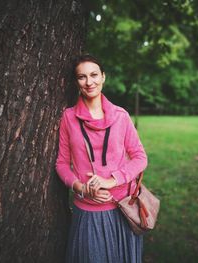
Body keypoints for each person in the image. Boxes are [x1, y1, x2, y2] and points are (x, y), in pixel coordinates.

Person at [55, 54, 148, 263]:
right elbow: (61, 163)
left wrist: (112, 180)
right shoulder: (68, 118)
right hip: (89, 213)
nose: (89, 82)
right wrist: (80, 187)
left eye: (94, 75)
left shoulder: (121, 116)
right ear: (76, 82)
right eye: (82, 77)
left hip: (124, 209)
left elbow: (140, 157)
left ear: (103, 77)